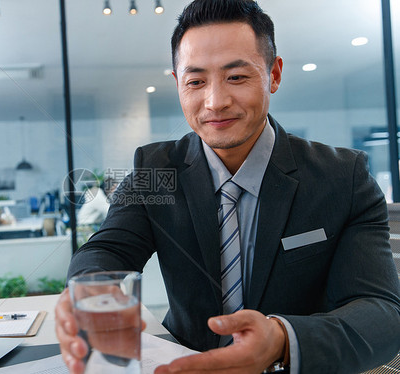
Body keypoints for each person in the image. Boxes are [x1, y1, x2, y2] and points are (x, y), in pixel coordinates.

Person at [55, 0, 400, 373]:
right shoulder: (154, 167)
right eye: (196, 81)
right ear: (177, 84)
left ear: (274, 74)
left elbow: (382, 312)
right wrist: (92, 290)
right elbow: (107, 248)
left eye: (236, 77)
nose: (215, 102)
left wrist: (281, 339)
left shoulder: (343, 177)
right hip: (183, 363)